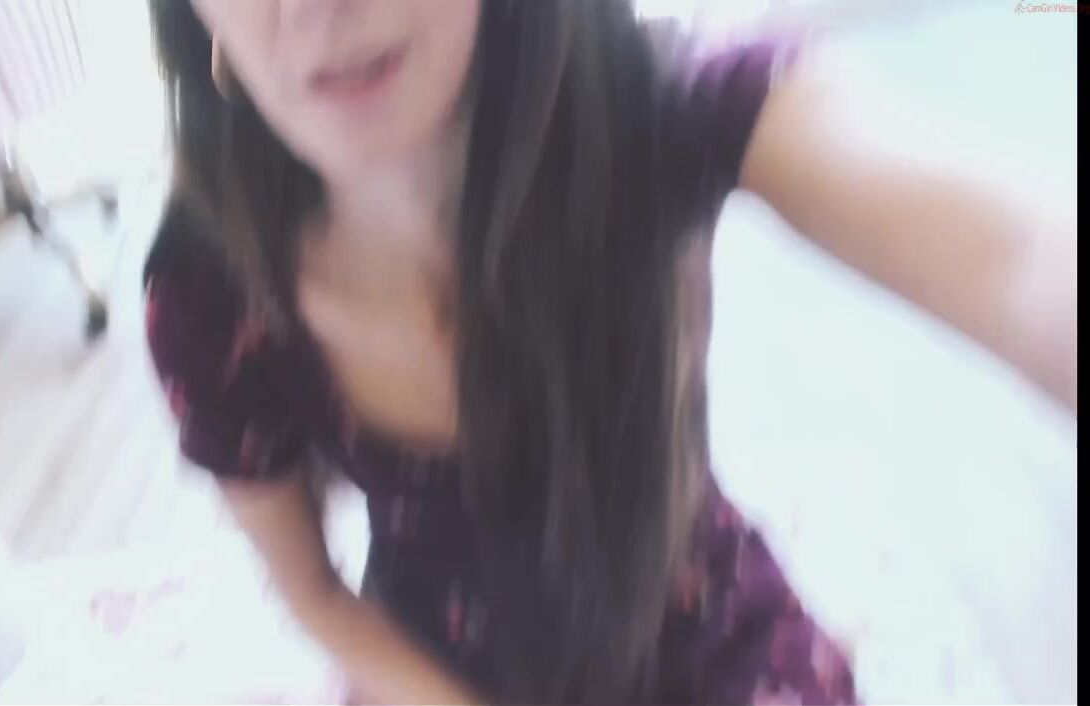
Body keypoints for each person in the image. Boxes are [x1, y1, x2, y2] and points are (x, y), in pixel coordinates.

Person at [141, 1, 1076, 703]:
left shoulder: (657, 102)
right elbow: (311, 592)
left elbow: (1017, 254)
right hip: (430, 667)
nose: (317, 6)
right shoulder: (212, 293)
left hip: (699, 629)